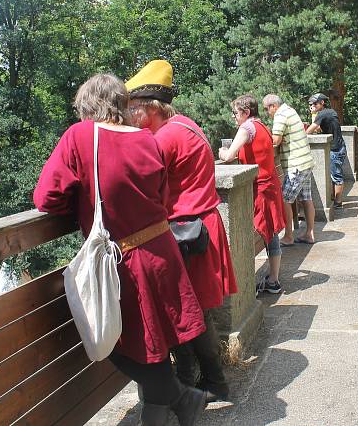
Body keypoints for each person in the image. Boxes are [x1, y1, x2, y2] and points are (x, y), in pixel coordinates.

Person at [33, 74, 207, 426]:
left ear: (87, 107)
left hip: (125, 262)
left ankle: (184, 399)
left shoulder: (80, 136)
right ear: (123, 105)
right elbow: (161, 197)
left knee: (107, 342)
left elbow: (46, 197)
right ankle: (182, 402)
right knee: (152, 347)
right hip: (162, 252)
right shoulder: (147, 139)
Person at [126, 60, 237, 404]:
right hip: (199, 228)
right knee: (193, 309)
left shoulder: (164, 139)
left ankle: (210, 382)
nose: (128, 114)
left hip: (187, 233)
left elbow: (140, 184)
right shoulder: (184, 124)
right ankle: (199, 379)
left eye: (132, 108)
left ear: (148, 109)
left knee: (192, 312)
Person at [219, 94, 286, 294]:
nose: (233, 117)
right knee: (271, 234)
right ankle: (273, 280)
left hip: (260, 190)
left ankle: (248, 287)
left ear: (246, 112)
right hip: (270, 185)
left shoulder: (247, 128)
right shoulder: (262, 126)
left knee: (251, 234)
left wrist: (223, 152)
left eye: (235, 113)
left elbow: (230, 156)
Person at [262, 94, 316, 245]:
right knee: (306, 198)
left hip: (296, 166)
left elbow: (276, 140)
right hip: (306, 162)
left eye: (267, 109)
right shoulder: (290, 110)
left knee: (284, 199)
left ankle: (288, 236)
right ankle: (309, 234)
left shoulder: (280, 115)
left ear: (273, 106)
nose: (267, 113)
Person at [306, 93, 346, 208]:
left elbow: (310, 130)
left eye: (314, 103)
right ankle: (335, 199)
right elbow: (318, 129)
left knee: (336, 176)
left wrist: (314, 115)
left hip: (335, 149)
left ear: (322, 103)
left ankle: (338, 203)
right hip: (339, 147)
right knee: (334, 175)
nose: (312, 106)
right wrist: (314, 114)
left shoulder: (323, 113)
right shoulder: (329, 112)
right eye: (311, 104)